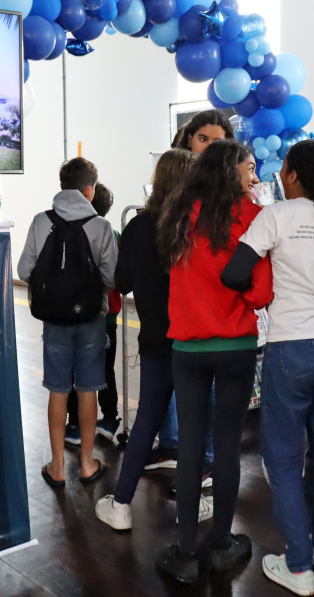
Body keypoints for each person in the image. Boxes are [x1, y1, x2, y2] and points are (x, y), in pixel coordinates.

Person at [222, 140, 314, 596]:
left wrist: (267, 296)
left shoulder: (276, 215)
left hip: (293, 346)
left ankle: (298, 566)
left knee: (282, 457)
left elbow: (235, 273)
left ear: (294, 176)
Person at [154, 139, 272, 584]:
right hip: (236, 345)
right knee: (227, 446)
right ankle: (222, 544)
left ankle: (184, 552)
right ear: (231, 170)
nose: (253, 172)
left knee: (189, 449)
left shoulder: (179, 214)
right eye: (248, 165)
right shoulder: (253, 216)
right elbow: (261, 293)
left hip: (186, 349)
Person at [95, 148, 216, 531]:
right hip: (197, 338)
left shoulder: (138, 226)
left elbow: (123, 281)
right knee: (197, 423)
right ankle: (191, 507)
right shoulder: (201, 225)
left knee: (147, 419)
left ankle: (122, 504)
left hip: (155, 338)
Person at [17, 158, 118, 488]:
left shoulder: (40, 222)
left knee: (58, 390)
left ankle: (58, 466)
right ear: (90, 190)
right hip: (91, 319)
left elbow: (23, 271)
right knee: (88, 389)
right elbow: (112, 277)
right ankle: (88, 464)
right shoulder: (100, 225)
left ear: (62, 186)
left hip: (54, 321)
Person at [152, 109, 235, 481]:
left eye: (218, 142)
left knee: (214, 394)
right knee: (186, 391)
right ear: (189, 140)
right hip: (186, 317)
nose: (209, 149)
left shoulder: (235, 196)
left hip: (224, 318)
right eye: (203, 139)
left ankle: (208, 462)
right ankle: (186, 454)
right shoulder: (177, 200)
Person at [65, 183, 121, 445]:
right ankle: (109, 420)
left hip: (78, 315)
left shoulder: (72, 231)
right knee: (106, 370)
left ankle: (75, 426)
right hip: (108, 317)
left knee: (77, 372)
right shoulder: (114, 233)